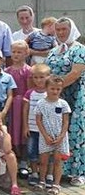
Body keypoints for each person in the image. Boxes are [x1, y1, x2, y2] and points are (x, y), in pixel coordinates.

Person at [44, 17, 85, 186]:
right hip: (56, 98)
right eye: (58, 30)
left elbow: (75, 73)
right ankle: (61, 170)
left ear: (71, 30)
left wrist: (56, 88)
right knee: (58, 133)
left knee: (76, 133)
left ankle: (78, 172)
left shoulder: (79, 50)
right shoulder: (54, 51)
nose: (60, 33)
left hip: (74, 96)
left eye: (64, 30)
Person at [35, 76, 71, 194]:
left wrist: (61, 136)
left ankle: (56, 184)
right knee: (43, 161)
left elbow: (66, 122)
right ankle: (42, 181)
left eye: (58, 89)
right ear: (46, 88)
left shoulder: (63, 104)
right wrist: (45, 135)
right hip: (45, 136)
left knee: (57, 161)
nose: (55, 91)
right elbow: (38, 120)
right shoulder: (41, 103)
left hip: (60, 137)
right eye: (52, 89)